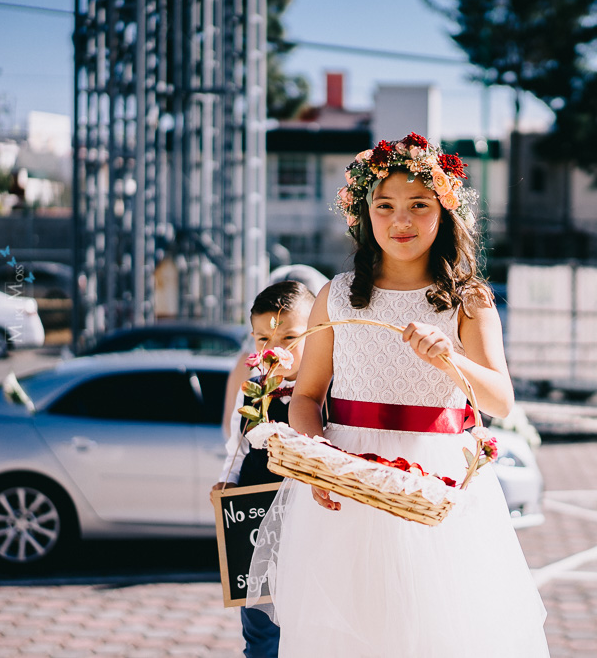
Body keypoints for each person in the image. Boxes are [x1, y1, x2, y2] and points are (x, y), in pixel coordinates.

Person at [247, 133, 549, 657]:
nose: (400, 221)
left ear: (444, 211)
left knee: (439, 633)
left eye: (418, 206)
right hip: (349, 481)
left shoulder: (468, 298)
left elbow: (500, 401)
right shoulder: (337, 294)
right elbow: (307, 395)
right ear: (364, 212)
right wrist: (319, 461)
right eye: (384, 207)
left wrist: (449, 359)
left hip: (436, 487)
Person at [213, 280, 315, 658]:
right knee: (260, 627)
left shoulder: (327, 390)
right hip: (256, 519)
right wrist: (228, 480)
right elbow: (236, 445)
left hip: (307, 515)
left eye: (290, 337)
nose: (274, 350)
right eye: (262, 340)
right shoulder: (252, 388)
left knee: (307, 623)